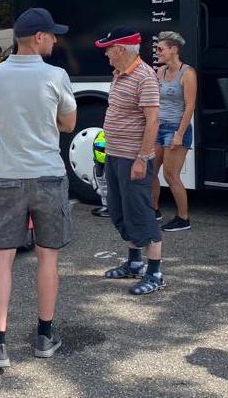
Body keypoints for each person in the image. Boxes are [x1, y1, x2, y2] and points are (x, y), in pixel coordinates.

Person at [0, 8, 76, 369]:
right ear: (37, 37)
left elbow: (0, 107)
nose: (54, 40)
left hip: (7, 176)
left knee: (2, 257)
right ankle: (45, 337)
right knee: (48, 256)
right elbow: (68, 123)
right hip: (48, 175)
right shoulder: (56, 75)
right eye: (51, 35)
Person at [95, 28, 165, 295]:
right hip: (115, 155)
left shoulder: (144, 77)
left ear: (121, 50)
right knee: (120, 209)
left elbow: (153, 121)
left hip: (132, 158)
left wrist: (141, 159)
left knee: (141, 213)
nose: (106, 53)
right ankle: (134, 263)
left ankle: (155, 273)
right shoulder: (119, 74)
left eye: (109, 48)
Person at [151, 31, 196, 232]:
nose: (157, 52)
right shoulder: (159, 72)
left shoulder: (187, 74)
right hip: (159, 127)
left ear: (173, 50)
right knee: (151, 171)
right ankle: (153, 211)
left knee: (171, 175)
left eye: (161, 49)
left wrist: (179, 134)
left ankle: (183, 218)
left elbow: (190, 106)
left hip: (176, 129)